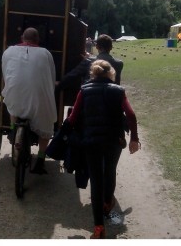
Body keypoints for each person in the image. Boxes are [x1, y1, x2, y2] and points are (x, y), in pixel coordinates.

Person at [64, 59, 140, 239]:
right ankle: (108, 202)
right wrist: (134, 139)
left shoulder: (84, 91)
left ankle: (98, 227)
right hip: (114, 140)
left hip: (91, 141)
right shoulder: (118, 91)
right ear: (110, 73)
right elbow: (130, 114)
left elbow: (73, 117)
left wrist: (64, 133)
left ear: (93, 73)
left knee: (96, 180)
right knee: (110, 170)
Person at [2, 27, 57, 174]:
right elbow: (51, 77)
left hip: (15, 93)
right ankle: (40, 159)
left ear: (22, 38)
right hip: (38, 99)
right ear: (37, 40)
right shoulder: (46, 54)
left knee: (13, 102)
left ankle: (14, 131)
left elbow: (5, 74)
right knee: (46, 124)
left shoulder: (8, 51)